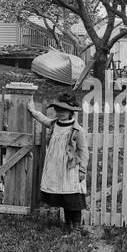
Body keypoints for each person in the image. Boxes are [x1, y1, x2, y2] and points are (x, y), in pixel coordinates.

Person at [28, 96, 90, 235]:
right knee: (64, 198)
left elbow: (84, 153)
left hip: (70, 169)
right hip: (56, 168)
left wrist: (82, 170)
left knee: (73, 200)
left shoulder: (77, 131)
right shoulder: (54, 124)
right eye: (58, 109)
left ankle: (76, 229)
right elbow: (43, 119)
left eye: (64, 110)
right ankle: (68, 226)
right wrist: (32, 110)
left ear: (71, 112)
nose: (60, 112)